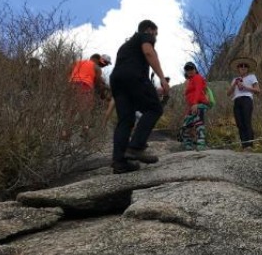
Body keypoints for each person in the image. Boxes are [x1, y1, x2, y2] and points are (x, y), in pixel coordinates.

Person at [109, 20, 169, 174]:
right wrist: (162, 78)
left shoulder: (125, 46)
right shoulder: (144, 36)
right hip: (133, 76)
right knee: (155, 108)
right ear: (150, 30)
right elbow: (148, 52)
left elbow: (128, 68)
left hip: (117, 80)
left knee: (126, 120)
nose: (155, 37)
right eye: (156, 34)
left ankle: (119, 162)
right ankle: (136, 147)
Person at [66, 53, 111, 136]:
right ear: (98, 60)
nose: (104, 65)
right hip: (85, 87)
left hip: (72, 84)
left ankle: (66, 132)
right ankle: (84, 131)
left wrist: (71, 79)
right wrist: (103, 92)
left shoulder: (78, 62)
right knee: (86, 110)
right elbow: (97, 83)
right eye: (104, 63)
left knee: (71, 109)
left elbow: (68, 70)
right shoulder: (97, 68)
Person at [227, 56, 260, 150]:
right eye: (241, 66)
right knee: (239, 123)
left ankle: (249, 145)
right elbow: (228, 93)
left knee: (246, 121)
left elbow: (258, 90)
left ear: (248, 68)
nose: (243, 67)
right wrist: (235, 84)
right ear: (238, 68)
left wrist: (245, 87)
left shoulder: (252, 77)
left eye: (245, 66)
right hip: (236, 100)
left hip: (247, 99)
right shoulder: (235, 79)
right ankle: (244, 145)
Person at [182, 62, 209, 151]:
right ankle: (188, 144)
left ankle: (201, 143)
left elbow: (198, 90)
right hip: (192, 105)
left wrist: (195, 103)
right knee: (187, 125)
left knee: (198, 123)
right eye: (187, 69)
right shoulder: (190, 81)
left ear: (195, 69)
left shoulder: (197, 77)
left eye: (191, 69)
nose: (189, 71)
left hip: (198, 103)